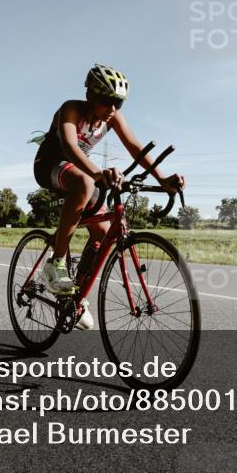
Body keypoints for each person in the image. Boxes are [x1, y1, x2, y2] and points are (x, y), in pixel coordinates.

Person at [31, 64, 185, 329]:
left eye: (118, 103)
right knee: (84, 182)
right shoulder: (71, 108)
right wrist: (97, 172)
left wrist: (163, 178)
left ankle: (76, 297)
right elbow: (69, 146)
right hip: (51, 164)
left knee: (102, 233)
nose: (112, 108)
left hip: (82, 170)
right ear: (90, 95)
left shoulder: (111, 118)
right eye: (106, 100)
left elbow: (135, 147)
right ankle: (56, 263)